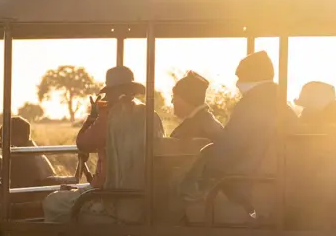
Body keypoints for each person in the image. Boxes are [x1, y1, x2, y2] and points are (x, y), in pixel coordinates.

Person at [184, 51, 296, 225]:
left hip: (244, 187)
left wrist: (203, 166)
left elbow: (229, 149)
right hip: (273, 185)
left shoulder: (251, 105)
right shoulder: (283, 105)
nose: (237, 83)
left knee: (180, 194)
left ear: (250, 78)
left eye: (240, 77)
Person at [42, 65, 163, 223]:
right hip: (144, 194)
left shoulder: (110, 117)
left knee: (53, 201)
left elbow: (83, 144)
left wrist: (92, 117)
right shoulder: (151, 115)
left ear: (113, 92)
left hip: (108, 194)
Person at [169, 70, 225, 143]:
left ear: (187, 98)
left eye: (175, 96)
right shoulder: (209, 123)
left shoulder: (188, 130)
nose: (172, 101)